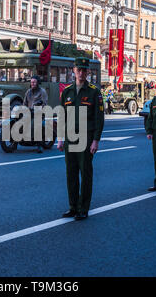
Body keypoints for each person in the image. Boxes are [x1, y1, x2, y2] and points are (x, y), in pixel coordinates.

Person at [57, 57, 105, 220]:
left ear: (88, 72)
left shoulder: (94, 92)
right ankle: (73, 206)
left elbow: (99, 118)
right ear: (74, 71)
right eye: (79, 69)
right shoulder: (67, 92)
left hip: (86, 139)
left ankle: (83, 208)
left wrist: (96, 140)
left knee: (85, 174)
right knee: (71, 174)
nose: (81, 73)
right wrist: (61, 138)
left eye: (84, 70)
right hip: (70, 138)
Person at [23, 75, 48, 153]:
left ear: (38, 83)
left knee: (35, 124)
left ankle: (39, 145)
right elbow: (24, 103)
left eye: (34, 82)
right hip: (29, 112)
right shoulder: (28, 92)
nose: (32, 84)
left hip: (39, 113)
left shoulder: (42, 91)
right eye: (31, 82)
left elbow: (45, 103)